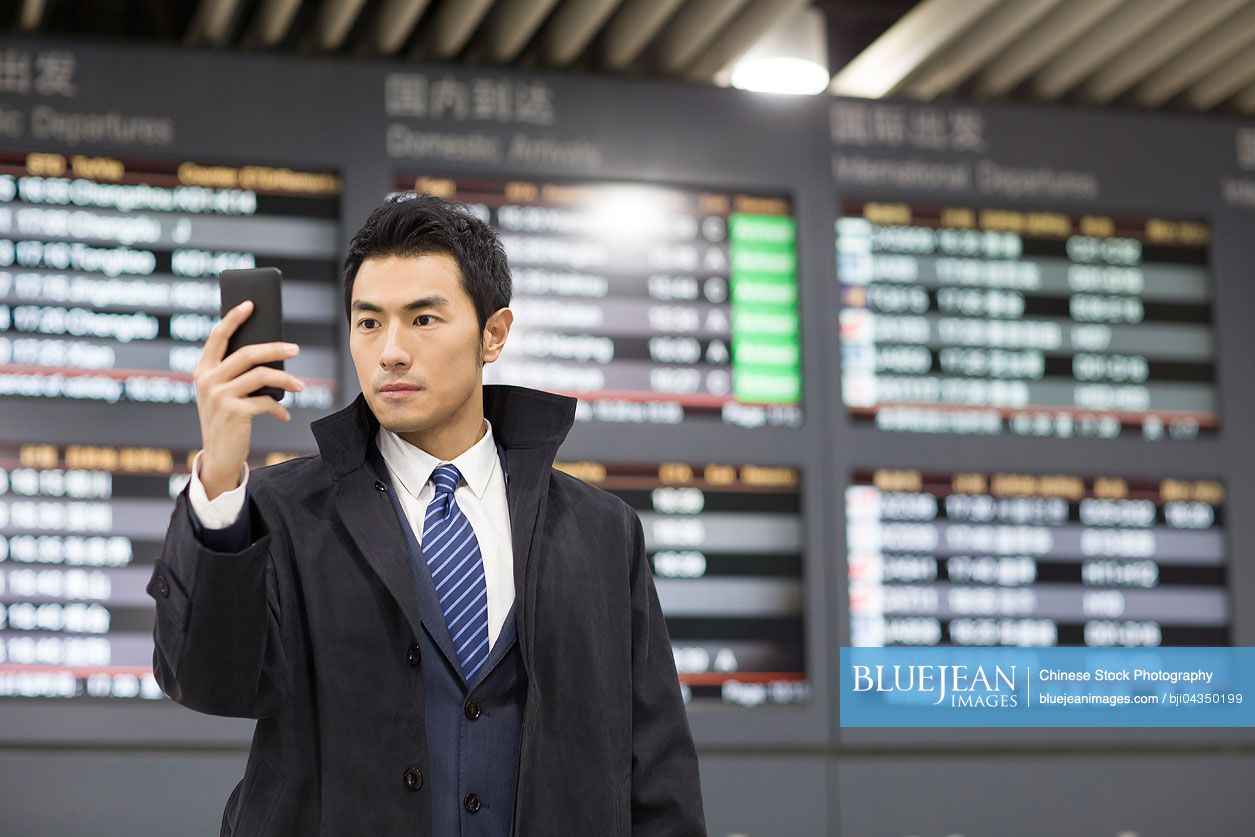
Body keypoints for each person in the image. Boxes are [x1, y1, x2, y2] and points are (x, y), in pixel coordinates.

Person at [147, 193, 706, 836]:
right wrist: (218, 478)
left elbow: (656, 767)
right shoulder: (280, 513)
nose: (390, 352)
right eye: (368, 322)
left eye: (422, 320)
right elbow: (207, 682)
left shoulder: (601, 531)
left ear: (494, 334)